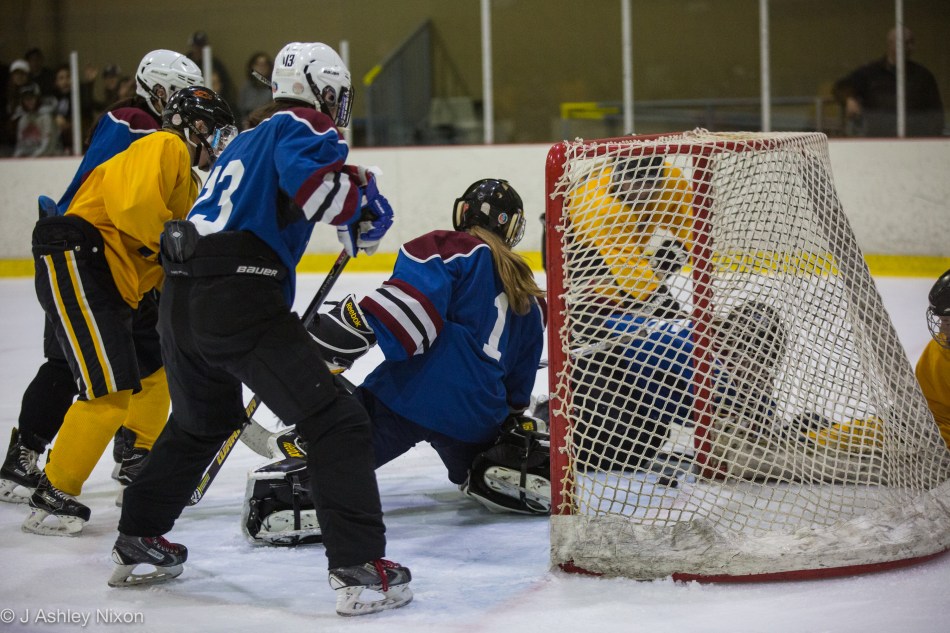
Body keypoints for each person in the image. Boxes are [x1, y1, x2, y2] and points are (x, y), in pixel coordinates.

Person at [109, 41, 411, 618]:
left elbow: (280, 193)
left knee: (202, 421)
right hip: (237, 295)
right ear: (322, 89)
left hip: (181, 295)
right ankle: (359, 567)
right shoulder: (303, 122)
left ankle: (138, 537)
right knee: (337, 421)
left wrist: (352, 200)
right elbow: (317, 190)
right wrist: (362, 205)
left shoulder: (246, 138)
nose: (337, 108)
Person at [22, 85, 234, 537]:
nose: (220, 142)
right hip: (81, 255)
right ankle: (53, 490)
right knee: (109, 390)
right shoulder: (165, 145)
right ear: (194, 126)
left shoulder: (189, 180)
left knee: (155, 369)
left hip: (116, 277)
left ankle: (138, 455)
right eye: (216, 131)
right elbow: (135, 209)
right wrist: (173, 249)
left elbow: (170, 251)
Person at [0, 50, 204, 506]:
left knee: (146, 359)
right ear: (159, 91)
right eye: (180, 96)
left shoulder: (136, 124)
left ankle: (128, 452)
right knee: (76, 365)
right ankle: (34, 458)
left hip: (105, 255)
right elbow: (132, 201)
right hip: (91, 255)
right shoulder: (139, 124)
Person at [303, 178, 548, 517]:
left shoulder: (450, 247)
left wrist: (344, 332)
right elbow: (518, 389)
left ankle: (301, 479)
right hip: (477, 418)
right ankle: (484, 470)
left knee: (334, 450)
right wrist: (503, 425)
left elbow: (408, 312)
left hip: (407, 398)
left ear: (464, 212)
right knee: (483, 459)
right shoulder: (531, 296)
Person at [565, 154, 693, 322]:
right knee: (594, 311)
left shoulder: (670, 179)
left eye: (650, 183)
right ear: (618, 173)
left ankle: (633, 305)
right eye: (636, 182)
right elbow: (628, 269)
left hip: (625, 250)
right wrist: (666, 310)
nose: (643, 191)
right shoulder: (601, 206)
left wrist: (689, 251)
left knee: (673, 254)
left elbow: (693, 226)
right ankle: (587, 313)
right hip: (578, 254)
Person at [832, 26, 944, 137]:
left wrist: (931, 139)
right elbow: (840, 87)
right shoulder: (871, 72)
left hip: (914, 139)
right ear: (891, 44)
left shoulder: (923, 76)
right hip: (877, 138)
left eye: (912, 43)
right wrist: (849, 99)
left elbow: (936, 113)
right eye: (906, 43)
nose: (911, 48)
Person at [916, 268, 950, 449]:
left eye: (948, 322)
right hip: (923, 426)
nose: (942, 330)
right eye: (942, 321)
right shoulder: (938, 349)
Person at [185, 31, 235, 108]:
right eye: (196, 46)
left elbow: (225, 84)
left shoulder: (214, 64)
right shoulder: (186, 63)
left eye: (201, 46)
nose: (199, 49)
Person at [12, 82, 60, 157]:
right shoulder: (22, 119)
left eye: (32, 97)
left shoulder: (46, 117)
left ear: (38, 98)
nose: (29, 101)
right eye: (26, 98)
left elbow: (48, 145)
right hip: (30, 158)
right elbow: (20, 145)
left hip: (49, 158)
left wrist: (32, 159)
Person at [237, 51, 272, 129]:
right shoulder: (246, 87)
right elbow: (240, 111)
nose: (261, 68)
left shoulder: (273, 88)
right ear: (252, 66)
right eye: (258, 64)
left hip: (267, 125)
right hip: (247, 126)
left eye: (264, 65)